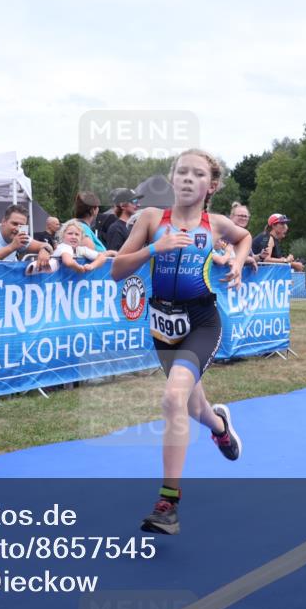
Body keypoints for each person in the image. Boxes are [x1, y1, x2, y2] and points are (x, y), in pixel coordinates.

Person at [111, 149, 250, 535]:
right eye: (181, 172)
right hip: (162, 327)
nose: (188, 178)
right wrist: (156, 248)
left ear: (212, 185)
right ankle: (220, 425)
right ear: (172, 179)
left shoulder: (217, 224)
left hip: (202, 321)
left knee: (173, 398)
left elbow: (244, 237)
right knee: (193, 406)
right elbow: (117, 271)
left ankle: (167, 504)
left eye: (198, 174)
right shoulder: (152, 219)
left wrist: (238, 264)